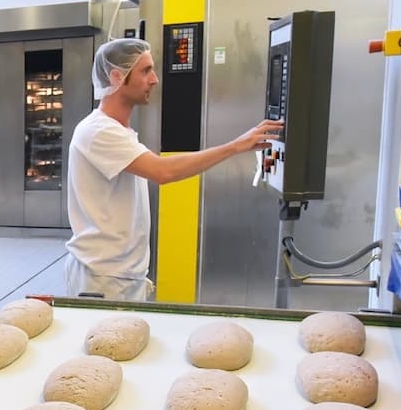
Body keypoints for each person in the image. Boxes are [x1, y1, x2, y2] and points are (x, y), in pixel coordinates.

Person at [64, 38, 283, 301]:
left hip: (118, 274)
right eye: (145, 71)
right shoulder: (98, 131)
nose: (155, 79)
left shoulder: (118, 130)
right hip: (103, 278)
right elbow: (162, 171)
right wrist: (235, 147)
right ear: (117, 76)